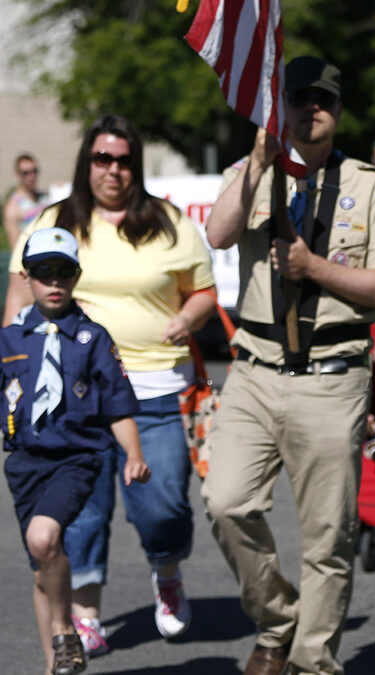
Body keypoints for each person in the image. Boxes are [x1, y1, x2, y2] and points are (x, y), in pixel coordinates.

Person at [202, 55, 375, 675]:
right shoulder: (252, 173)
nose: (309, 109)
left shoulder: (369, 185)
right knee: (226, 502)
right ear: (281, 107)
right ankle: (276, 621)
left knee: (328, 538)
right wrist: (257, 163)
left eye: (321, 99)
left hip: (332, 375)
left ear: (337, 109)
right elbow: (218, 235)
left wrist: (314, 269)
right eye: (298, 98)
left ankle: (311, 659)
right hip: (253, 369)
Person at [4, 115, 217, 655]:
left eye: (123, 160)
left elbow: (204, 291)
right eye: (103, 158)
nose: (113, 169)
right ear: (86, 163)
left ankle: (166, 572)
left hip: (155, 385)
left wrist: (186, 320)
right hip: (69, 398)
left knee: (164, 503)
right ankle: (86, 612)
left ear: (135, 166)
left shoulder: (168, 221)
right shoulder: (55, 221)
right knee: (82, 511)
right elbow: (17, 300)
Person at [2, 227, 149, 675]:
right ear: (27, 276)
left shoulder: (93, 338)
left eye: (63, 272)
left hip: (75, 458)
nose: (54, 281)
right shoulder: (9, 340)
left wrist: (135, 454)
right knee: (40, 567)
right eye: (43, 272)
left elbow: (117, 405)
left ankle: (66, 627)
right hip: (25, 464)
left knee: (43, 539)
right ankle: (56, 667)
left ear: (77, 276)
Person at [5, 153, 49, 247]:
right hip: (31, 259)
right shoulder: (13, 207)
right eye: (26, 173)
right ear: (17, 174)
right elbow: (15, 248)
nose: (31, 176)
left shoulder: (44, 198)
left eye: (34, 171)